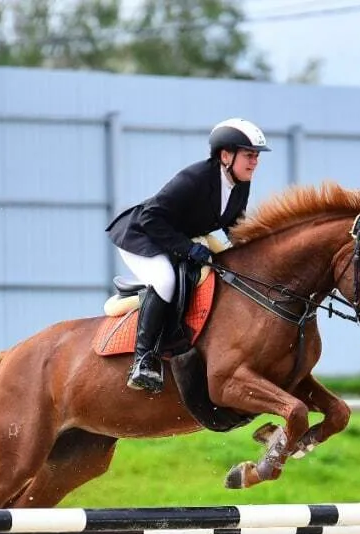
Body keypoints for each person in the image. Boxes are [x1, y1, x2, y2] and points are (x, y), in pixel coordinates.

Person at [106, 118, 270, 393]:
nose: (254, 162)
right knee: (165, 280)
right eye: (249, 155)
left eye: (256, 156)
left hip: (173, 237)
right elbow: (150, 219)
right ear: (226, 155)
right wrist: (188, 248)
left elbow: (233, 226)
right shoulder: (194, 178)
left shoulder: (240, 183)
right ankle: (143, 360)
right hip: (140, 236)